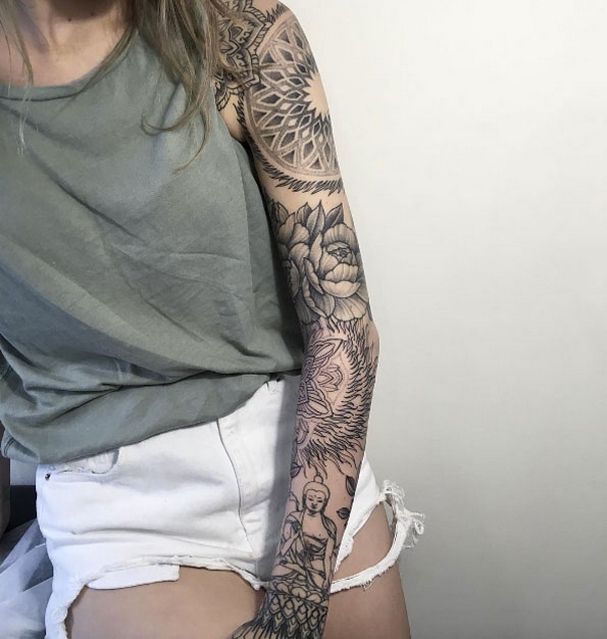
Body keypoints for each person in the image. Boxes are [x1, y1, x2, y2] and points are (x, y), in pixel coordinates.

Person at [0, 1, 424, 637]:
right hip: (120, 488)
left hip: (297, 441)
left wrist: (294, 610)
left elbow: (342, 321)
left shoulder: (233, 27)